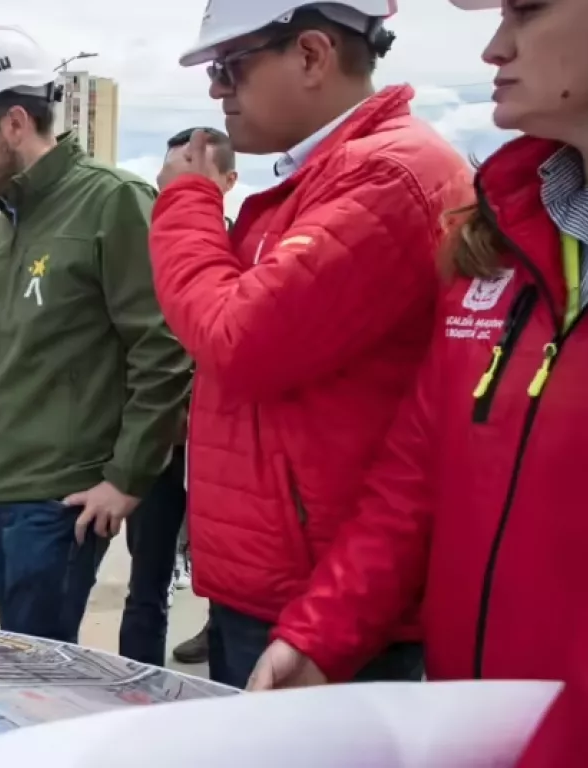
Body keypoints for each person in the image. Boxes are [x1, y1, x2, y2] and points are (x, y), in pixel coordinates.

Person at [249, 0, 585, 762]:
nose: (494, 48)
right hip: (477, 735)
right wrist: (319, 637)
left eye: (528, 11)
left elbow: (240, 340)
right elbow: (414, 482)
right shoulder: (498, 243)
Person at [149, 0, 474, 688]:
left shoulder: (388, 177)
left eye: (230, 67)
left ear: (312, 56)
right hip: (279, 587)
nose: (215, 90)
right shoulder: (324, 181)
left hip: (326, 610)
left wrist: (186, 201)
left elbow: (236, 338)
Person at [0, 25, 191, 643]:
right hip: (5, 494)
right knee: (27, 665)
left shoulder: (112, 204)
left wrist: (128, 478)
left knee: (39, 682)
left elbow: (165, 351)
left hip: (61, 502)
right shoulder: (5, 226)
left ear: (14, 123)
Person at [120, 127, 239, 668]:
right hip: (162, 444)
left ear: (229, 181)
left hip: (225, 453)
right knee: (148, 576)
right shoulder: (148, 248)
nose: (171, 187)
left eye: (187, 175)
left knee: (230, 565)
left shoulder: (244, 246)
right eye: (166, 177)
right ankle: (138, 681)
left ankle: (219, 631)